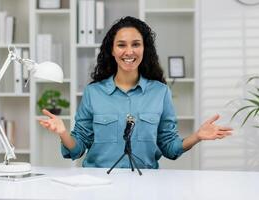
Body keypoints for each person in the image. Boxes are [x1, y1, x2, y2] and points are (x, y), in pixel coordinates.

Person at [39, 16, 232, 169]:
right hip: (98, 183)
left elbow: (170, 148)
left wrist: (196, 136)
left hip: (145, 183)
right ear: (112, 51)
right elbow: (77, 149)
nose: (129, 52)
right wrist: (63, 133)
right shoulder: (93, 92)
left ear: (144, 49)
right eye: (121, 45)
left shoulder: (160, 92)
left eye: (136, 44)